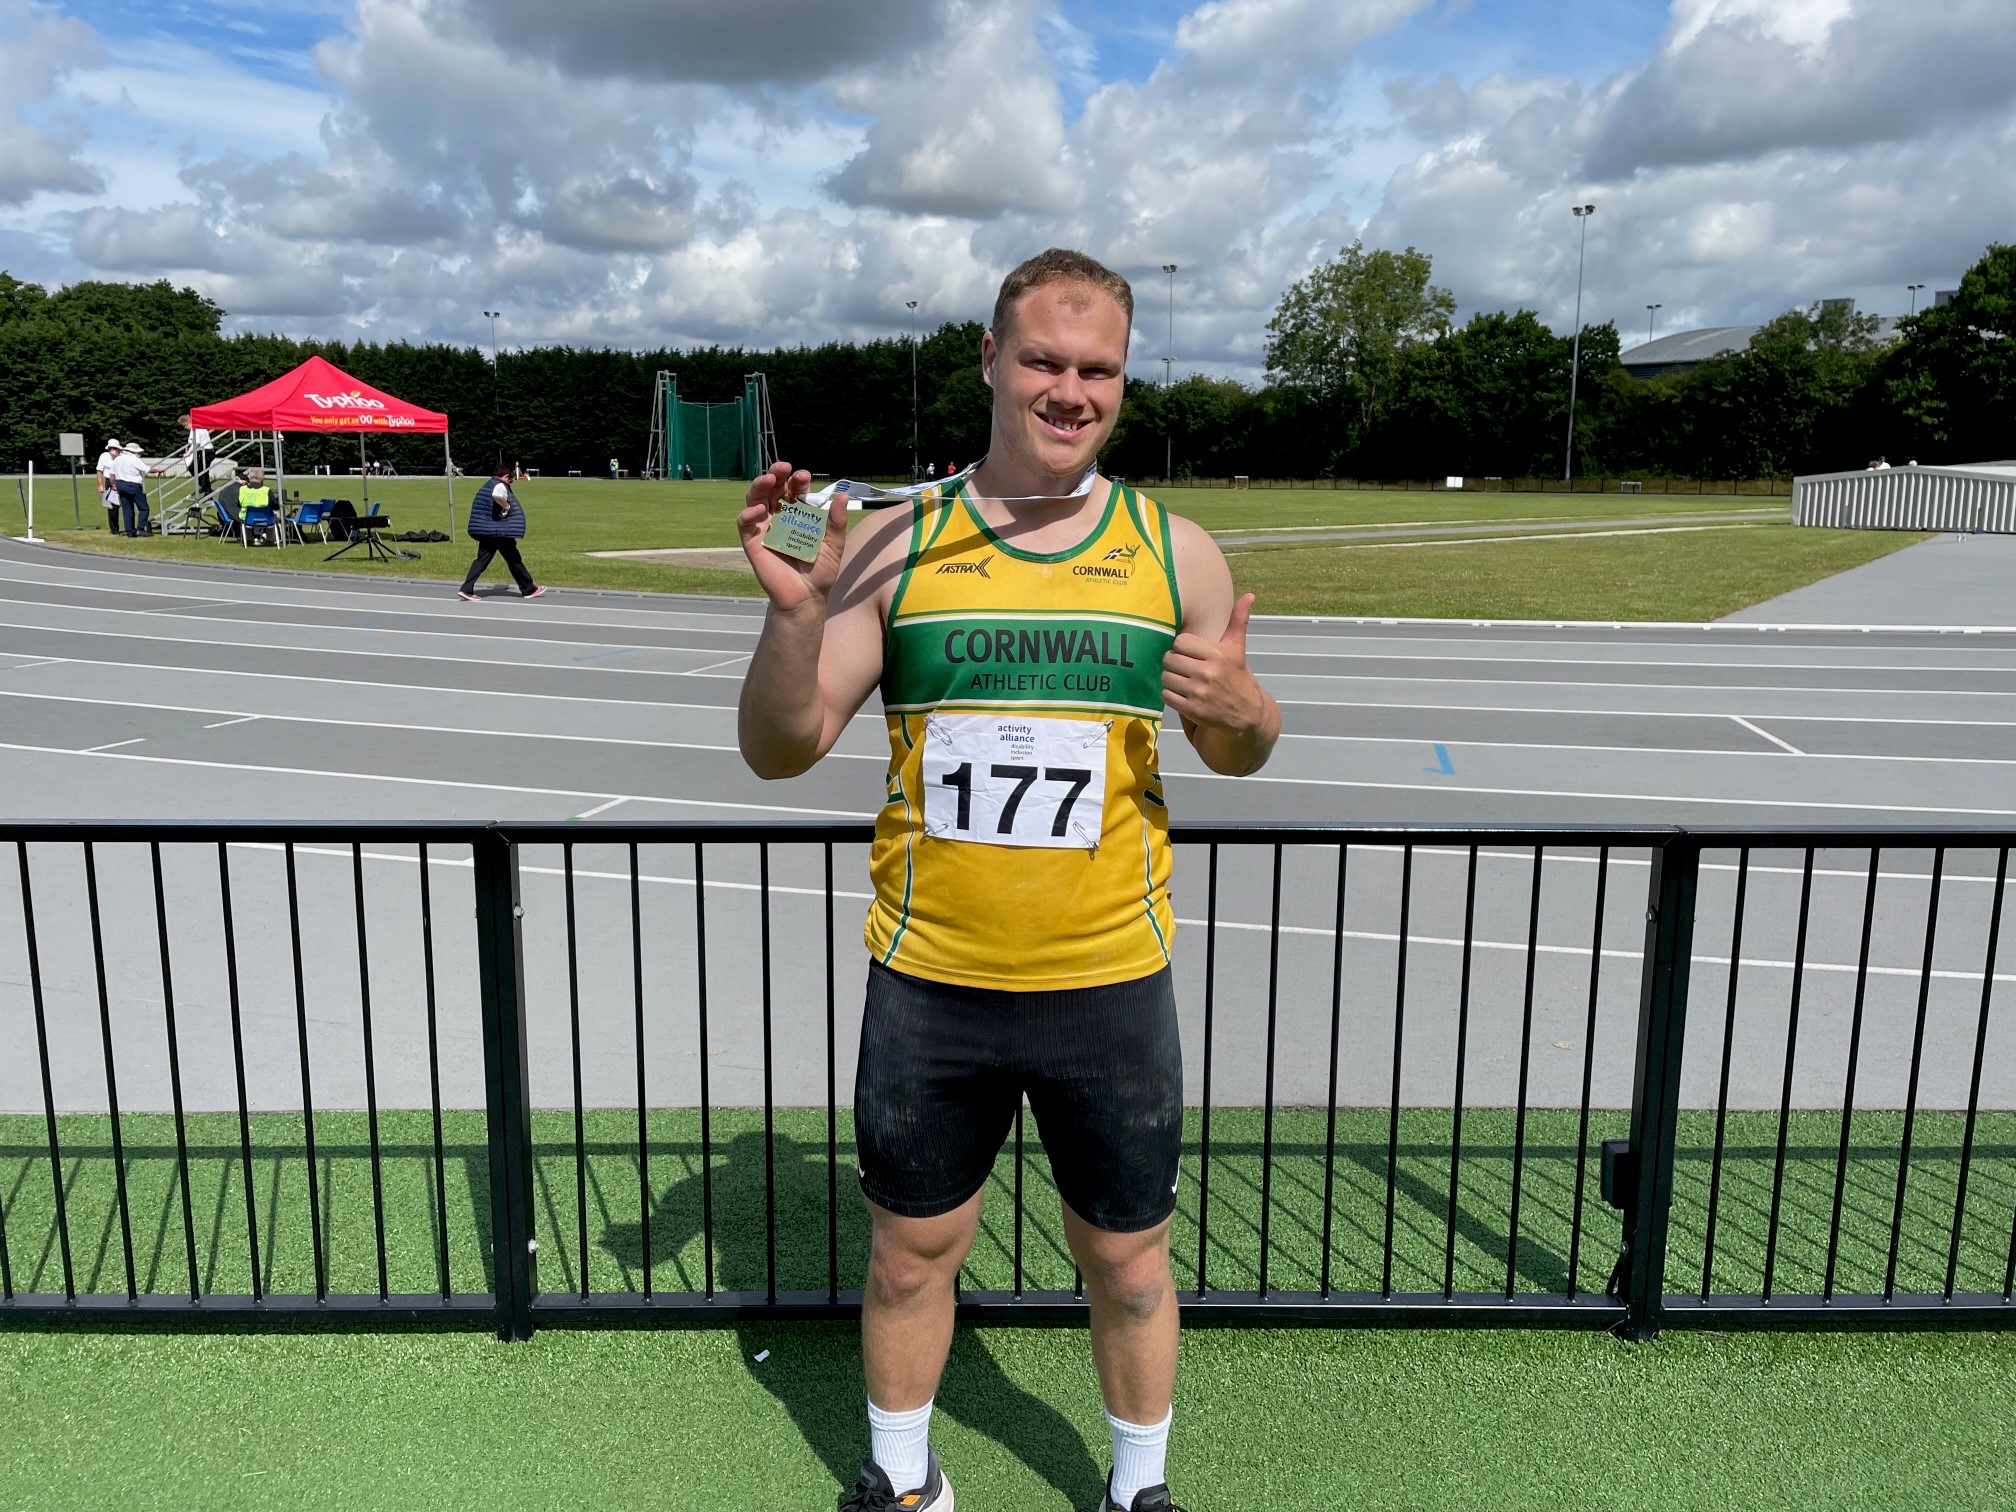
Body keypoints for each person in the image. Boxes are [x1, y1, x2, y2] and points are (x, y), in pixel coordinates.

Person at [737, 248, 1279, 1512]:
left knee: (1130, 1263)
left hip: (1111, 979)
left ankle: (1138, 1490)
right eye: (1043, 358)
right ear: (990, 359)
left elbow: (1237, 749)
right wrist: (792, 617)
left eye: (1098, 369)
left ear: (1124, 383)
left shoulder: (1174, 552)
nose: (1069, 388)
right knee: (912, 1255)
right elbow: (779, 749)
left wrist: (1252, 713)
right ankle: (900, 1479)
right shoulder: (889, 543)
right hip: (934, 981)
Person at [458, 461, 547, 601]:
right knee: (514, 559)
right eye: (510, 479)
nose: (510, 482)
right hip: (498, 531)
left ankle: (466, 589)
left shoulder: (488, 484)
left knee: (482, 560)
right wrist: (507, 507)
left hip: (488, 530)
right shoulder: (500, 485)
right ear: (505, 476)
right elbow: (497, 495)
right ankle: (529, 589)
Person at [109, 441, 151, 537]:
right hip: (133, 485)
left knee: (127, 509)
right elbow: (147, 469)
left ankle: (129, 531)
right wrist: (159, 470)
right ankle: (140, 528)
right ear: (134, 452)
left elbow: (112, 475)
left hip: (120, 484)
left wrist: (114, 485)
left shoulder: (117, 459)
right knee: (144, 508)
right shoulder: (133, 459)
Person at [182, 414, 214, 497]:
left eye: (184, 426)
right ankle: (206, 488)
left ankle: (207, 490)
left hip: (204, 451)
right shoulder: (199, 428)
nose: (184, 428)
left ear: (188, 423)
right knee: (199, 470)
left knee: (200, 471)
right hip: (205, 451)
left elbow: (196, 443)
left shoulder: (196, 429)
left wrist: (188, 452)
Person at [95, 438, 122, 532]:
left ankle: (130, 528)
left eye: (114, 448)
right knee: (112, 507)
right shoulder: (104, 456)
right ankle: (114, 529)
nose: (112, 450)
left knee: (125, 504)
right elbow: (99, 470)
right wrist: (100, 484)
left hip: (120, 481)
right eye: (110, 448)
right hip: (109, 482)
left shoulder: (122, 457)